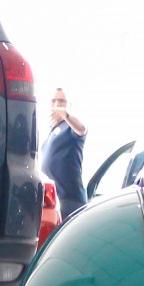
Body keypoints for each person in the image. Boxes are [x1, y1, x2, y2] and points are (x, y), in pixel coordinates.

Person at [38, 87, 88, 219]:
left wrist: (65, 115)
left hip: (70, 199)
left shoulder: (70, 127)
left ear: (68, 105)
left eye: (61, 101)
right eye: (54, 101)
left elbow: (81, 129)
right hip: (55, 199)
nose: (57, 105)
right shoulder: (51, 130)